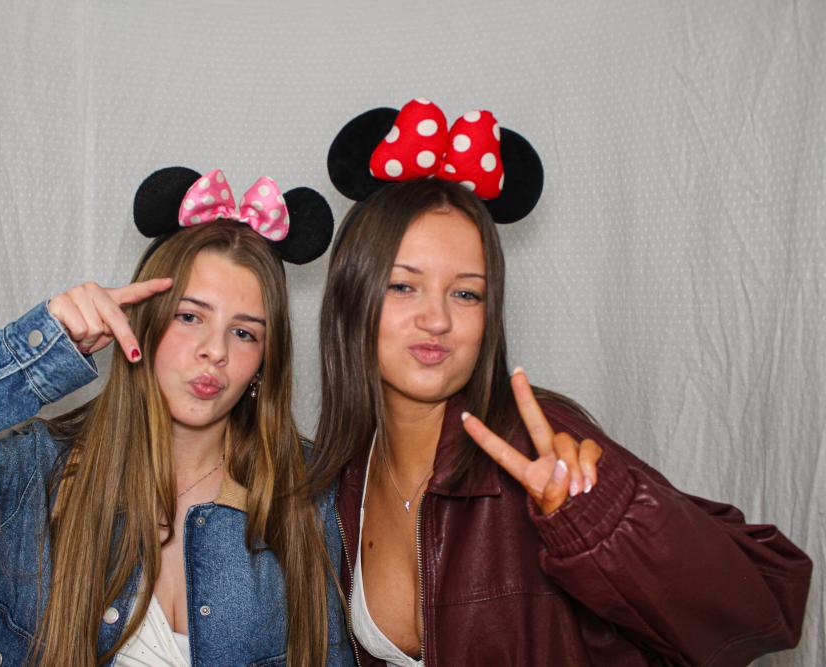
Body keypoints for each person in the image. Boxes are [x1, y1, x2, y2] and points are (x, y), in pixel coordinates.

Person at [310, 99, 813, 665]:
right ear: (351, 298)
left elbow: (768, 599)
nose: (438, 319)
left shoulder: (542, 446)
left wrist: (598, 525)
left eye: (466, 293)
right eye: (403, 286)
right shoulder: (346, 475)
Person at [0, 166, 353, 666]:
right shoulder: (37, 472)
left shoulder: (310, 495)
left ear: (264, 362)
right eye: (189, 316)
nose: (214, 351)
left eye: (243, 332)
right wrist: (42, 349)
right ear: (142, 325)